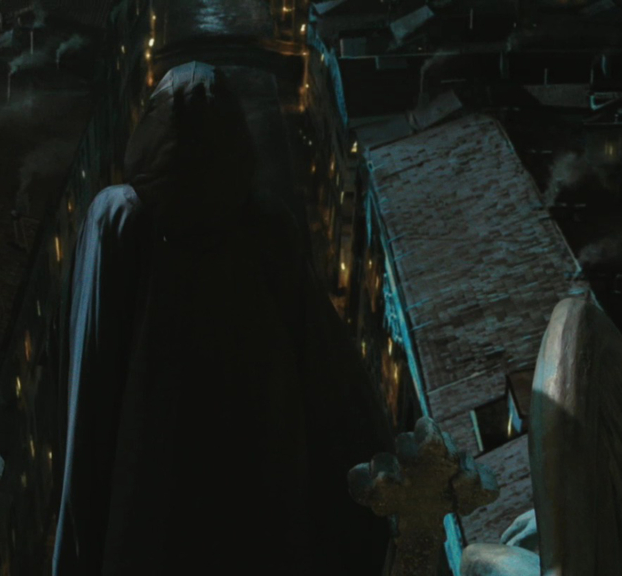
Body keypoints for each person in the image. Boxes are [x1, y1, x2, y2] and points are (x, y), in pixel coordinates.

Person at [53, 62, 388, 576]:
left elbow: (91, 379)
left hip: (149, 497)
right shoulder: (266, 223)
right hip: (258, 489)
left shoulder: (117, 220)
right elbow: (325, 376)